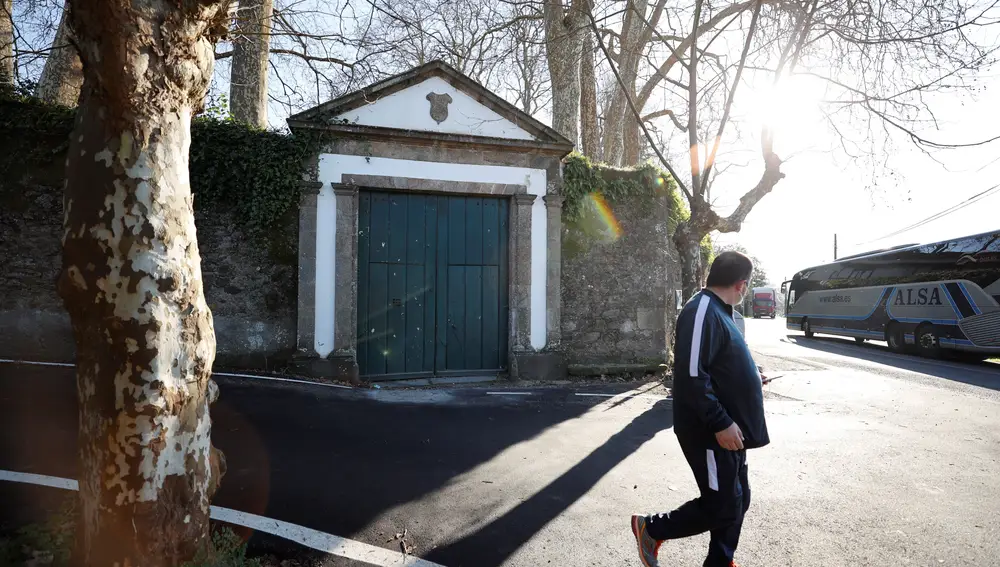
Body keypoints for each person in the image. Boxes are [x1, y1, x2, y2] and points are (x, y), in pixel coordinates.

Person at [630, 251, 770, 567]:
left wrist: (752, 374)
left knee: (738, 499)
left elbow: (719, 363)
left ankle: (721, 561)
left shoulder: (722, 312)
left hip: (731, 430)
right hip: (710, 432)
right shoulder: (701, 311)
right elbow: (692, 375)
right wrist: (720, 422)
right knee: (723, 505)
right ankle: (651, 529)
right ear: (742, 285)